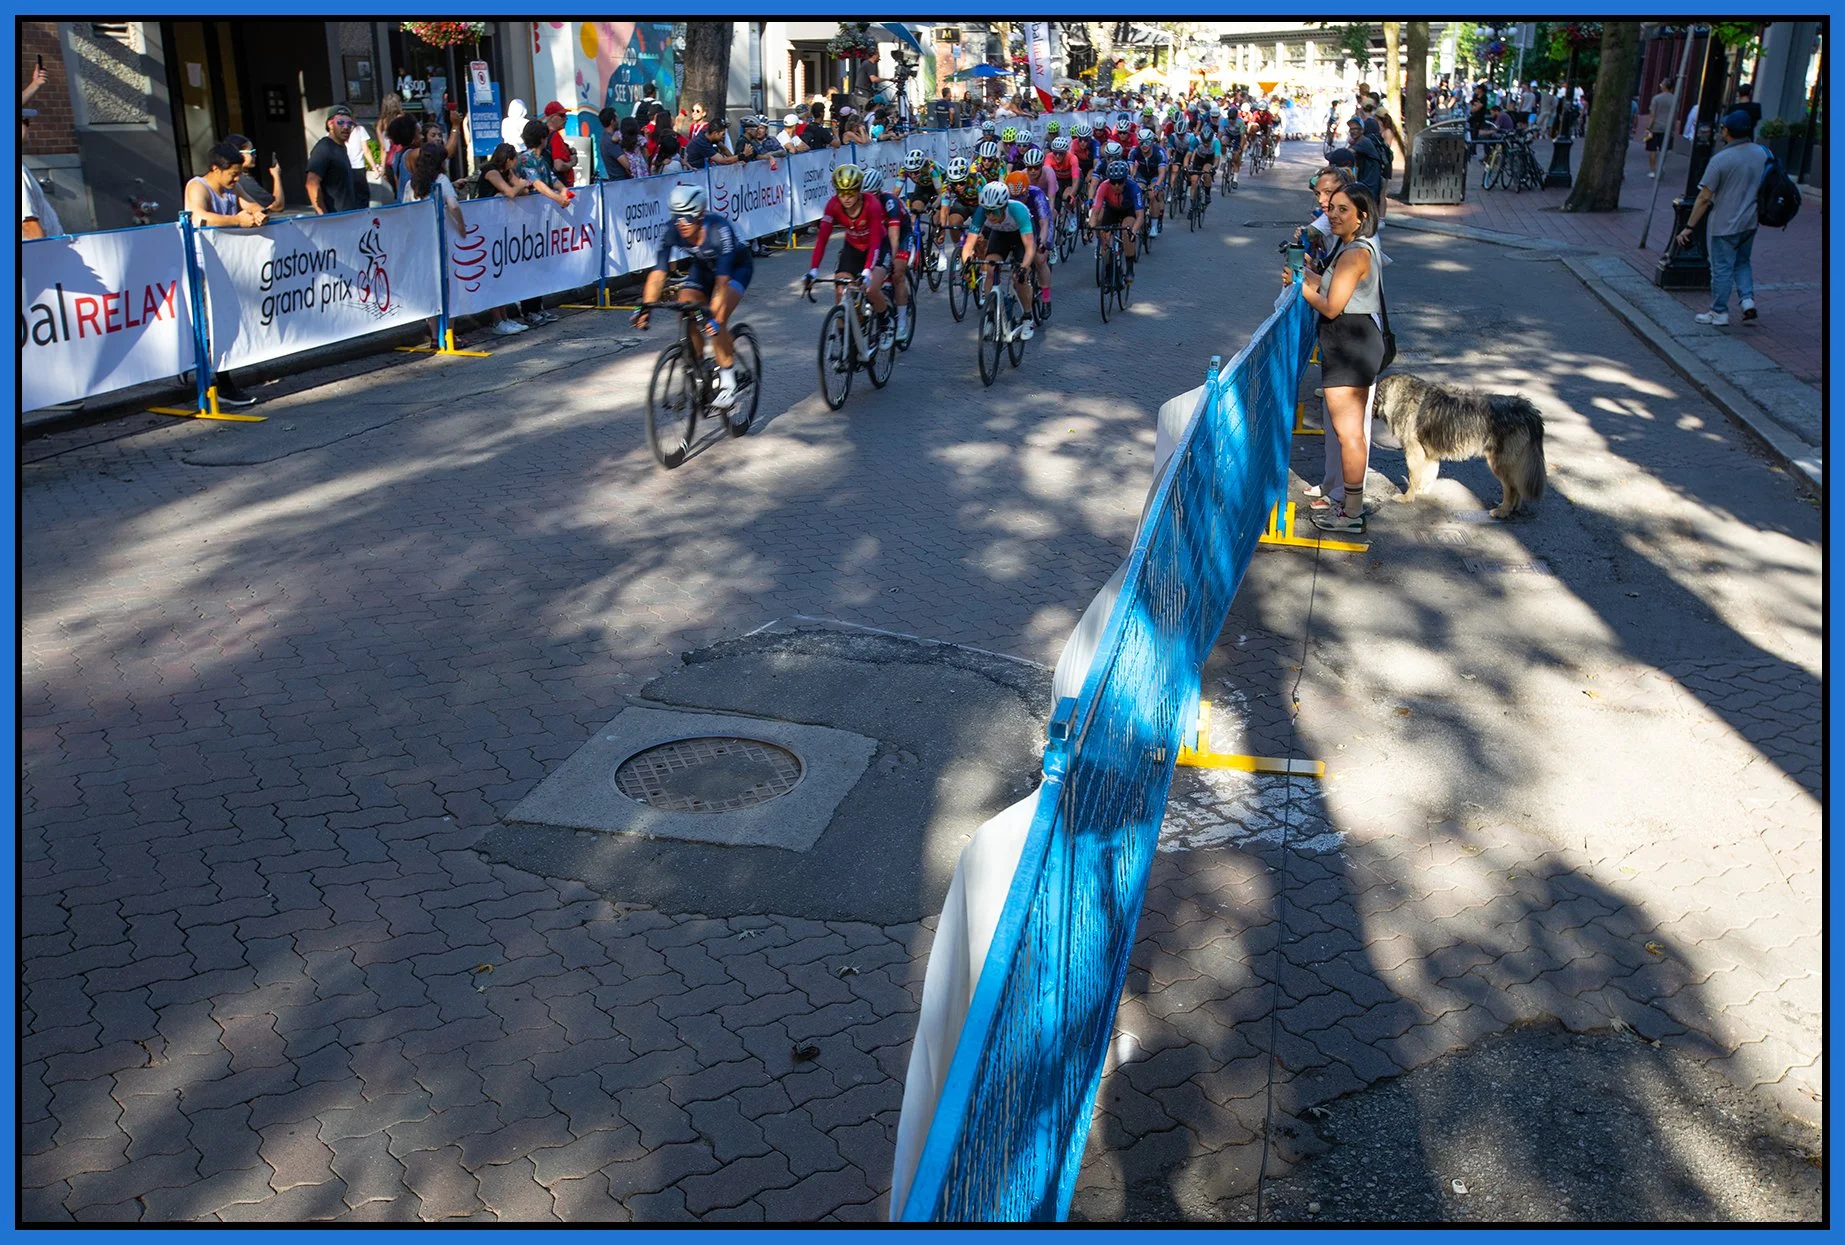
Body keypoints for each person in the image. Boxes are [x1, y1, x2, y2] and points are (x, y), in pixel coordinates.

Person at [1286, 183, 1384, 534]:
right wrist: (1307, 275)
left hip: (1351, 346)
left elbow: (1330, 305)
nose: (1333, 214)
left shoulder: (1356, 252)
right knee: (1348, 433)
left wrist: (1301, 287)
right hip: (1349, 343)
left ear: (1361, 217)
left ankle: (1352, 513)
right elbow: (1331, 288)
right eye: (1332, 208)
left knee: (1349, 434)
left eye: (1344, 210)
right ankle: (1349, 507)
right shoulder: (1350, 246)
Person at [633, 184, 752, 416]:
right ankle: (699, 364)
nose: (681, 224)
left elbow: (721, 284)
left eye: (687, 218)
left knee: (717, 319)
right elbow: (658, 273)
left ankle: (728, 379)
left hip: (735, 270)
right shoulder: (672, 230)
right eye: (676, 217)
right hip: (704, 268)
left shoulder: (719, 230)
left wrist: (714, 318)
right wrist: (645, 307)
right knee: (686, 304)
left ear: (699, 215)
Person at [185, 143, 268, 406]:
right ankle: (220, 382)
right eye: (232, 173)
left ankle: (218, 378)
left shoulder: (232, 185)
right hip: (202, 264)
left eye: (238, 174)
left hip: (226, 262)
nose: (235, 179)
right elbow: (198, 217)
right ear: (214, 169)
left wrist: (258, 214)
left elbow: (250, 204)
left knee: (228, 320)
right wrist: (237, 221)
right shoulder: (197, 186)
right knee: (214, 323)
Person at [1676, 110, 1769, 327]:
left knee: (1722, 268)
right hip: (1750, 220)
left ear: (1727, 131)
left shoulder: (1721, 160)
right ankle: (1747, 301)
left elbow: (1704, 197)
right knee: (1743, 262)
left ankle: (1719, 311)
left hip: (1725, 223)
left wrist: (1689, 226)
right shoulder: (1763, 154)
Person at [807, 163, 895, 351]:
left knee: (871, 289)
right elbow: (822, 239)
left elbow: (874, 242)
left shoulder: (872, 204)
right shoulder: (833, 205)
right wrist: (813, 270)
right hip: (852, 248)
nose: (846, 198)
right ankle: (848, 345)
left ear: (858, 191)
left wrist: (866, 271)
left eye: (850, 193)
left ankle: (886, 323)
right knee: (840, 292)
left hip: (877, 247)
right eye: (842, 193)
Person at [398, 142, 466, 349]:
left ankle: (435, 335)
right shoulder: (441, 180)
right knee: (447, 288)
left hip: (420, 241)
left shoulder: (412, 184)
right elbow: (453, 206)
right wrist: (461, 226)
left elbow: (405, 211)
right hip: (440, 239)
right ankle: (449, 334)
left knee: (429, 289)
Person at [473, 143, 539, 336]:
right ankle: (497, 320)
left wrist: (517, 186)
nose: (516, 164)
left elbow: (523, 191)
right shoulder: (491, 171)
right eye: (514, 159)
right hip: (486, 224)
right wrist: (518, 185)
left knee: (503, 273)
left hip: (501, 226)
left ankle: (505, 317)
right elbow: (513, 191)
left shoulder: (507, 172)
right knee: (494, 272)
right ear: (508, 159)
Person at [961, 179, 1036, 343]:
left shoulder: (1017, 210)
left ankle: (1028, 317)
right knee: (990, 270)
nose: (989, 215)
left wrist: (1024, 267)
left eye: (994, 212)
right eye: (987, 211)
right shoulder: (982, 212)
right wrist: (967, 264)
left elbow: (1030, 247)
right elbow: (968, 245)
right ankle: (990, 316)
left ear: (1003, 207)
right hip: (1000, 235)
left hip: (1020, 236)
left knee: (1019, 278)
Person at [860, 168, 913, 340]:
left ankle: (902, 324)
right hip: (880, 235)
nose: (868, 200)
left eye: (872, 195)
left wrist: (891, 259)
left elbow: (894, 235)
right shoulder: (861, 203)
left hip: (901, 232)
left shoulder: (889, 202)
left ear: (879, 192)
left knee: (897, 273)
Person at [1088, 158, 1145, 288]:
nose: (1116, 186)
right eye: (1113, 182)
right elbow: (1096, 210)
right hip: (1111, 210)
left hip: (1128, 211)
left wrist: (1134, 231)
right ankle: (1108, 273)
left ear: (1125, 180)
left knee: (1127, 231)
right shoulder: (1104, 186)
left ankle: (1130, 268)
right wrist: (1091, 227)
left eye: (1120, 182)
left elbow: (1140, 215)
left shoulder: (1133, 187)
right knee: (1105, 238)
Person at [305, 105, 366, 213]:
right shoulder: (324, 148)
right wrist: (323, 215)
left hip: (348, 216)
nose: (346, 127)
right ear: (330, 124)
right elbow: (311, 183)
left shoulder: (342, 148)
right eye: (340, 123)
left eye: (350, 124)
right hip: (334, 220)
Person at [221, 133, 285, 214]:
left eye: (254, 152)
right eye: (251, 152)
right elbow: (277, 206)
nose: (255, 155)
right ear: (238, 154)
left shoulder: (235, 177)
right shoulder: (242, 179)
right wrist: (276, 175)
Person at [1641, 78, 1677, 178]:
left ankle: (1652, 171)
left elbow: (1652, 115)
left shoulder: (1656, 98)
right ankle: (1661, 167)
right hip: (1667, 128)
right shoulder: (1674, 99)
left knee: (1652, 150)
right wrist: (1673, 129)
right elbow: (1674, 116)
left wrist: (1648, 127)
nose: (1660, 85)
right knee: (1663, 150)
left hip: (1655, 127)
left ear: (1665, 86)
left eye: (1661, 83)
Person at [381, 113, 421, 200]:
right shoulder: (413, 154)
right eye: (419, 133)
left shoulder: (398, 155)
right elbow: (444, 153)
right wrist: (455, 128)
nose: (422, 137)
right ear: (412, 136)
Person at [541, 101, 578, 187]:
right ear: (552, 117)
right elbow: (559, 166)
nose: (566, 118)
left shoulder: (543, 134)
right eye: (562, 116)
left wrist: (568, 150)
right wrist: (572, 162)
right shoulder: (555, 136)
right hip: (562, 186)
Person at [596, 106, 627, 181]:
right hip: (621, 183)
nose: (618, 120)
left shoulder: (607, 138)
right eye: (617, 118)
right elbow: (627, 165)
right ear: (612, 121)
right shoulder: (610, 141)